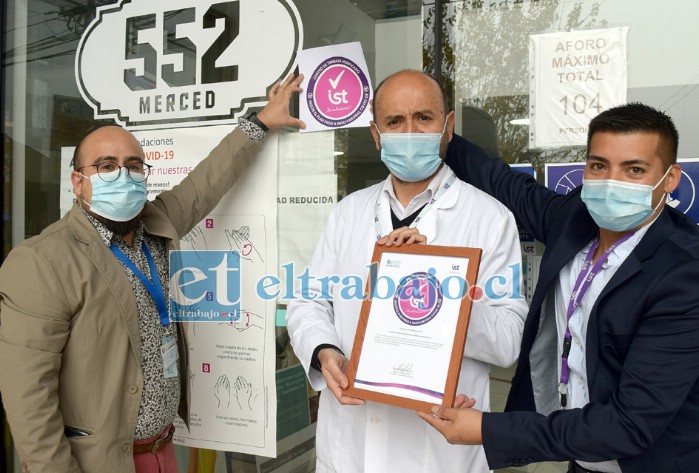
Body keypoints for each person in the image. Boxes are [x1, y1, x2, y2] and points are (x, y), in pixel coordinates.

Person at [0, 73, 305, 473]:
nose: (123, 175)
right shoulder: (42, 261)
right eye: (106, 167)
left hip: (163, 451)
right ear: (79, 182)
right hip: (101, 463)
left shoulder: (155, 225)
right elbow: (28, 400)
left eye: (133, 166)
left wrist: (261, 121)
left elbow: (206, 182)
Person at [419, 103, 699, 472]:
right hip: (581, 462)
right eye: (599, 166)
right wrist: (439, 136)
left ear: (671, 178)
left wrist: (490, 429)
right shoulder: (575, 218)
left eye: (634, 170)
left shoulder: (684, 274)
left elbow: (629, 425)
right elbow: (504, 183)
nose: (610, 183)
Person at [286, 69, 527, 472]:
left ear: (447, 127)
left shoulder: (490, 218)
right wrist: (324, 351)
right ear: (376, 134)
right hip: (351, 446)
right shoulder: (348, 213)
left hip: (437, 451)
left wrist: (438, 282)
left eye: (424, 118)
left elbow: (507, 342)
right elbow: (309, 300)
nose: (410, 131)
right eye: (395, 122)